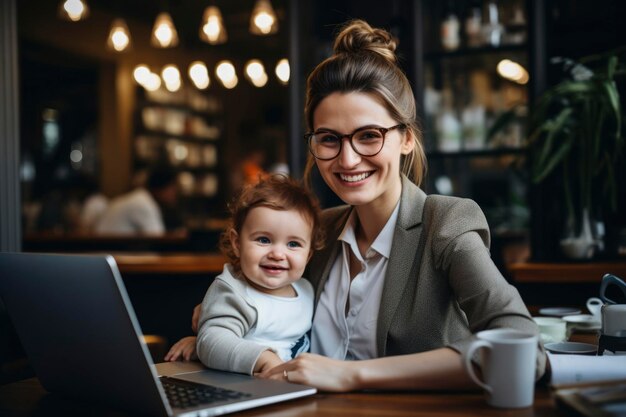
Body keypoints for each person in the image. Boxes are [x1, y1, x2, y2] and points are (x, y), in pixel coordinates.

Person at [170, 19, 546, 391]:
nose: (347, 160)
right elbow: (261, 310)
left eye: (369, 136)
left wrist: (351, 374)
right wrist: (209, 335)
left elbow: (526, 350)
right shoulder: (318, 232)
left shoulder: (445, 223)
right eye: (329, 139)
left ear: (406, 139)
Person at [166, 176, 325, 376]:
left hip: (294, 389)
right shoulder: (233, 291)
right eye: (264, 240)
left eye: (293, 244)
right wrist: (264, 360)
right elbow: (215, 341)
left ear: (308, 254)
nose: (277, 254)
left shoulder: (306, 289)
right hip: (249, 388)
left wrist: (200, 344)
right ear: (237, 243)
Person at [95, 168, 179, 235]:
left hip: (107, 250)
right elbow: (159, 238)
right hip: (110, 252)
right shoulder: (143, 203)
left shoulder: (140, 198)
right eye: (172, 189)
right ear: (161, 189)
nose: (175, 194)